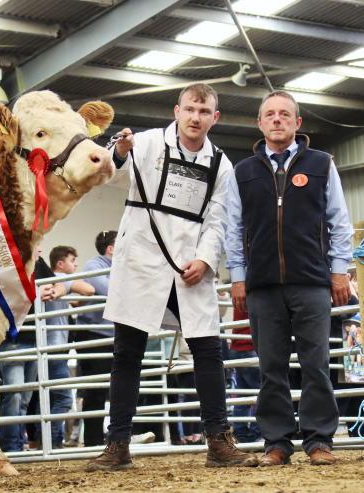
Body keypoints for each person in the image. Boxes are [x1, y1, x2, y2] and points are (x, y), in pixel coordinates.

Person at [88, 84, 257, 471]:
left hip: (189, 268)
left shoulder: (221, 164)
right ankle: (117, 445)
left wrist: (206, 260)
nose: (196, 117)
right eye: (190, 109)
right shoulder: (146, 143)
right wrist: (120, 151)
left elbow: (218, 219)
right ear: (177, 111)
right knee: (127, 353)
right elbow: (110, 173)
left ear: (215, 118)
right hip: (141, 260)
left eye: (204, 111)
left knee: (208, 351)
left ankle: (219, 442)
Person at [226, 90, 353, 466]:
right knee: (271, 367)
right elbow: (233, 228)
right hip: (263, 285)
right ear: (259, 123)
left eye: (285, 114)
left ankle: (319, 440)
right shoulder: (242, 172)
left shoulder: (321, 164)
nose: (277, 119)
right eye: (270, 114)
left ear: (297, 123)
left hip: (312, 281)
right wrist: (238, 276)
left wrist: (339, 271)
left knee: (316, 363)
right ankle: (277, 443)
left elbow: (339, 220)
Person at [0, 249, 54, 452]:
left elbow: (57, 284)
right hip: (11, 338)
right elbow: (4, 290)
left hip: (33, 338)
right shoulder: (4, 258)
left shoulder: (38, 261)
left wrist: (53, 291)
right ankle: (10, 445)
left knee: (24, 397)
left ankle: (16, 444)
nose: (39, 247)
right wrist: (36, 293)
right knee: (15, 393)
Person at [44, 246, 94, 448]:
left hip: (50, 347)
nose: (76, 264)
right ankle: (52, 441)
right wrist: (74, 290)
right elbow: (89, 290)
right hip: (55, 348)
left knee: (48, 397)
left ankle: (47, 440)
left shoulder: (50, 282)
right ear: (60, 264)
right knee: (64, 399)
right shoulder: (60, 277)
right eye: (72, 260)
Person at [74, 230, 116, 447]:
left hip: (111, 335)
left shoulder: (117, 268)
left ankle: (112, 436)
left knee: (112, 388)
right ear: (111, 249)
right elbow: (108, 290)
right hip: (94, 334)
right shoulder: (94, 265)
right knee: (95, 389)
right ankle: (92, 440)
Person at [228, 306, 262, 443]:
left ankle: (240, 431)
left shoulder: (239, 296)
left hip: (237, 346)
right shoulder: (257, 296)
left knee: (243, 393)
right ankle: (257, 431)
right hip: (250, 345)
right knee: (262, 391)